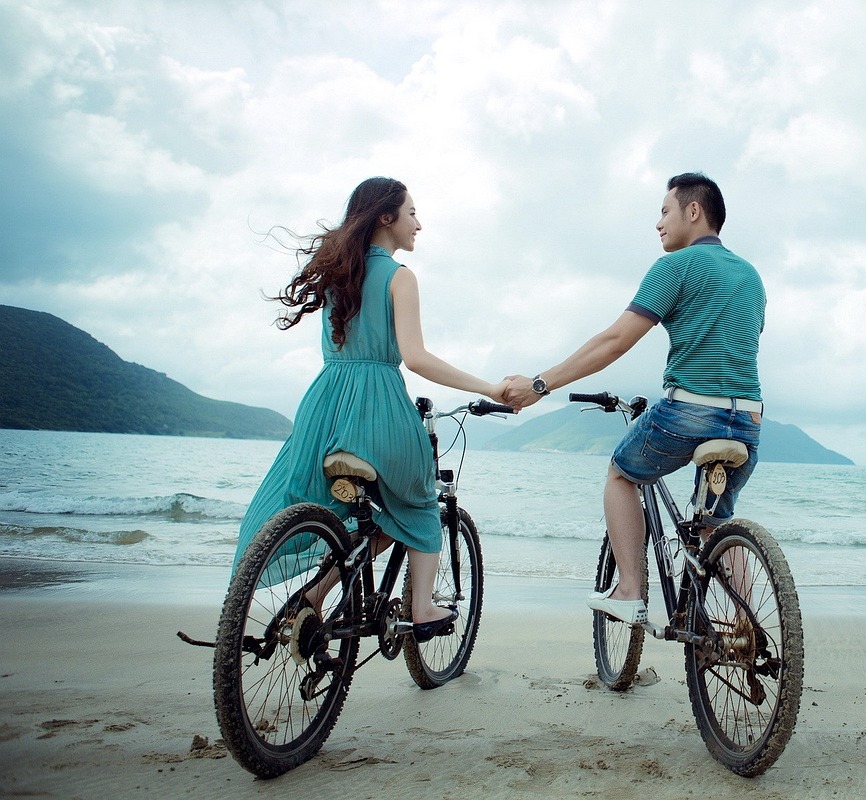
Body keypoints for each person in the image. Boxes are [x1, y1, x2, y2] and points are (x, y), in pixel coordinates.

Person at [232, 176, 509, 642]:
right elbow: (416, 358)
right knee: (419, 502)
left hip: (325, 408)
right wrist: (489, 387)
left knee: (354, 513)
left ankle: (315, 596)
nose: (419, 223)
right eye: (412, 213)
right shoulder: (400, 277)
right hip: (378, 405)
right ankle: (421, 607)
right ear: (387, 217)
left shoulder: (337, 275)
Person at [504, 172, 765, 625]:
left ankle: (629, 591)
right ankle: (748, 625)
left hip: (688, 414)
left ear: (694, 211)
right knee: (714, 524)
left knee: (621, 475)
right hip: (748, 421)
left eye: (665, 211)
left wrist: (540, 383)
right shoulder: (751, 277)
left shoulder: (674, 267)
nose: (658, 223)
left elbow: (614, 343)